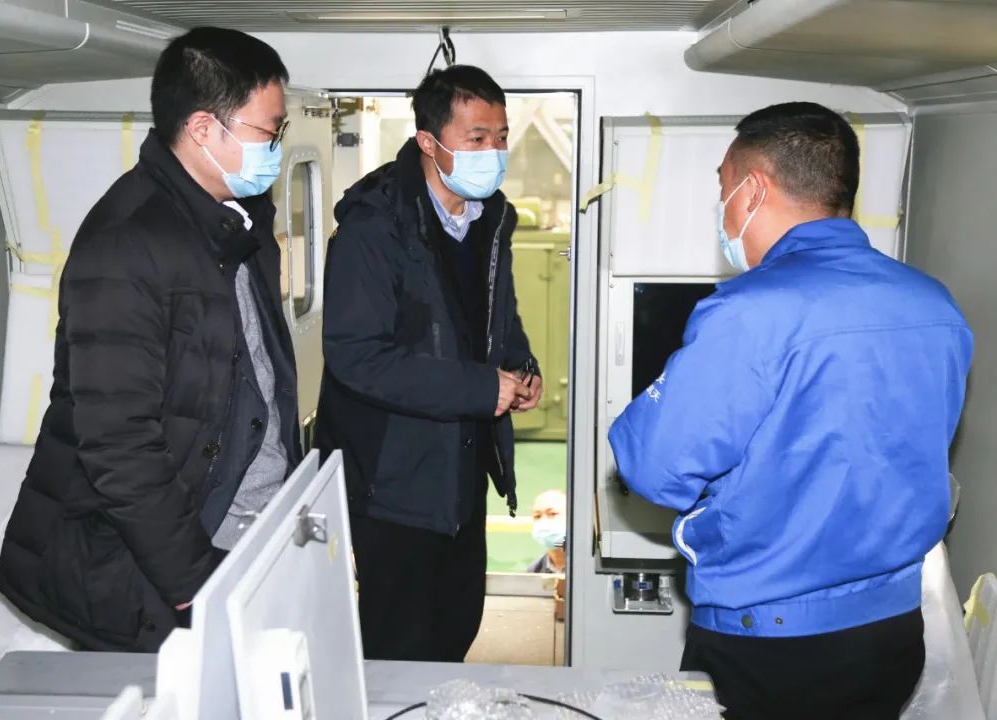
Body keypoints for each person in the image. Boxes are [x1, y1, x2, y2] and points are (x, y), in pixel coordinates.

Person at [608, 102, 972, 720]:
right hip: (891, 633)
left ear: (752, 190)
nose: (723, 212)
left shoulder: (748, 312)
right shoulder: (935, 305)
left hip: (771, 645)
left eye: (724, 190)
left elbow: (654, 466)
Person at [0, 27, 302, 652]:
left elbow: (254, 370)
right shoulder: (126, 244)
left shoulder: (240, 216)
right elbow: (118, 440)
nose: (275, 146)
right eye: (268, 131)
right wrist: (191, 581)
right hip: (160, 566)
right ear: (203, 129)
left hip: (245, 531)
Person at [316, 64, 542, 663]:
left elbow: (499, 312)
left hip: (461, 470)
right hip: (393, 479)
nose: (493, 153)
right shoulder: (374, 227)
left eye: (501, 137)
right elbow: (356, 356)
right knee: (399, 646)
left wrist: (521, 364)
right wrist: (480, 389)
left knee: (456, 624)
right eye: (477, 138)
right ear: (428, 141)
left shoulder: (491, 217)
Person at [527, 489, 566, 574]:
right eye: (537, 516)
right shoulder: (534, 571)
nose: (543, 522)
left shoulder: (590, 567)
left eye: (552, 514)